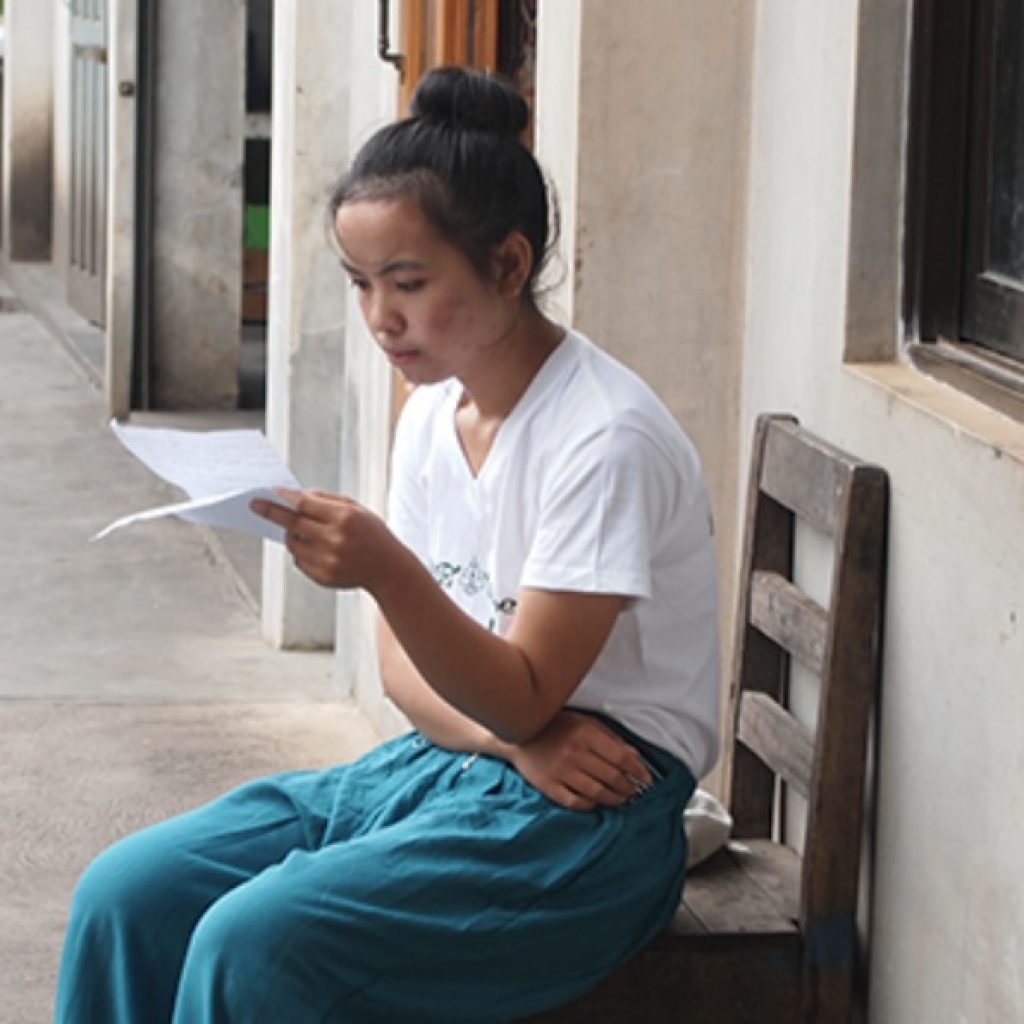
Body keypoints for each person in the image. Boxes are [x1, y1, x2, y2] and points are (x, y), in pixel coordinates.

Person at [55, 67, 720, 1024]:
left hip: (589, 822)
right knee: (128, 894)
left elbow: (530, 688)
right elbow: (405, 672)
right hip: (463, 762)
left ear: (506, 263)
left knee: (254, 944)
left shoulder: (603, 438)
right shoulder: (434, 410)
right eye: (361, 284)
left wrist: (388, 574)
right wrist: (506, 741)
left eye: (407, 283)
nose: (380, 317)